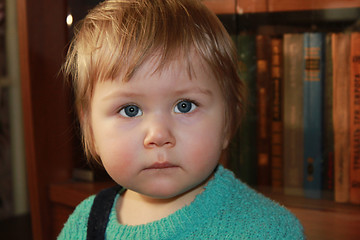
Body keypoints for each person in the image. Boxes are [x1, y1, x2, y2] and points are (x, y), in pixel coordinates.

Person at [58, 0, 304, 239]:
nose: (159, 135)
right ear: (89, 129)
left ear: (228, 120)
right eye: (130, 110)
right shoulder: (84, 223)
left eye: (185, 106)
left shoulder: (268, 231)